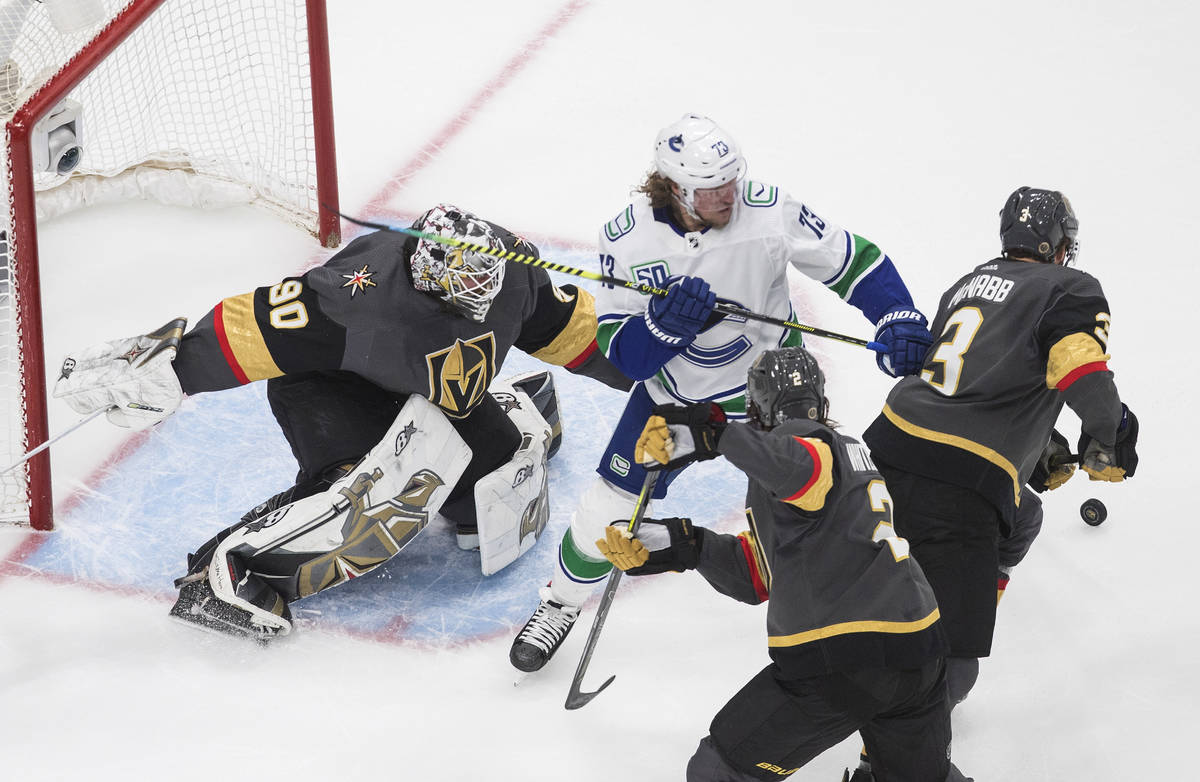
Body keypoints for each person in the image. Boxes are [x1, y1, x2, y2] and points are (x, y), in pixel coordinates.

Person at [52, 203, 631, 640]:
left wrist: (665, 372)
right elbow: (245, 330)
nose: (482, 299)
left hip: (435, 394)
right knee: (371, 498)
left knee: (498, 502)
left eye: (487, 285)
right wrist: (165, 370)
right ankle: (227, 570)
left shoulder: (511, 270)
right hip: (330, 389)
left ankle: (517, 408)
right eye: (467, 290)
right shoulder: (353, 299)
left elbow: (576, 334)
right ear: (425, 276)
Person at [510, 112, 935, 672]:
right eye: (712, 188)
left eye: (732, 180)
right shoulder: (627, 236)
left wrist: (897, 316)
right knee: (605, 512)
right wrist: (663, 328)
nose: (728, 195)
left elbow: (853, 260)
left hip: (777, 391)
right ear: (676, 187)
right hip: (673, 398)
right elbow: (624, 353)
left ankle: (898, 580)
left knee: (835, 498)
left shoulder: (768, 209)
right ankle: (560, 603)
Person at [596, 347, 971, 782]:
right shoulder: (850, 455)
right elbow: (758, 576)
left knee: (718, 772)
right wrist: (685, 545)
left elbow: (801, 469)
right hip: (920, 651)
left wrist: (716, 436)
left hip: (845, 660)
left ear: (756, 408)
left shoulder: (803, 442)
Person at [862, 186, 1139, 709]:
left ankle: (929, 599)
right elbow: (1079, 368)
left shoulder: (967, 284)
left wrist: (1035, 447)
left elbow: (973, 382)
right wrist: (1112, 431)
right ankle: (889, 754)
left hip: (885, 446)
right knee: (954, 664)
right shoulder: (1069, 287)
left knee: (1024, 515)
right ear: (1060, 243)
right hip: (957, 480)